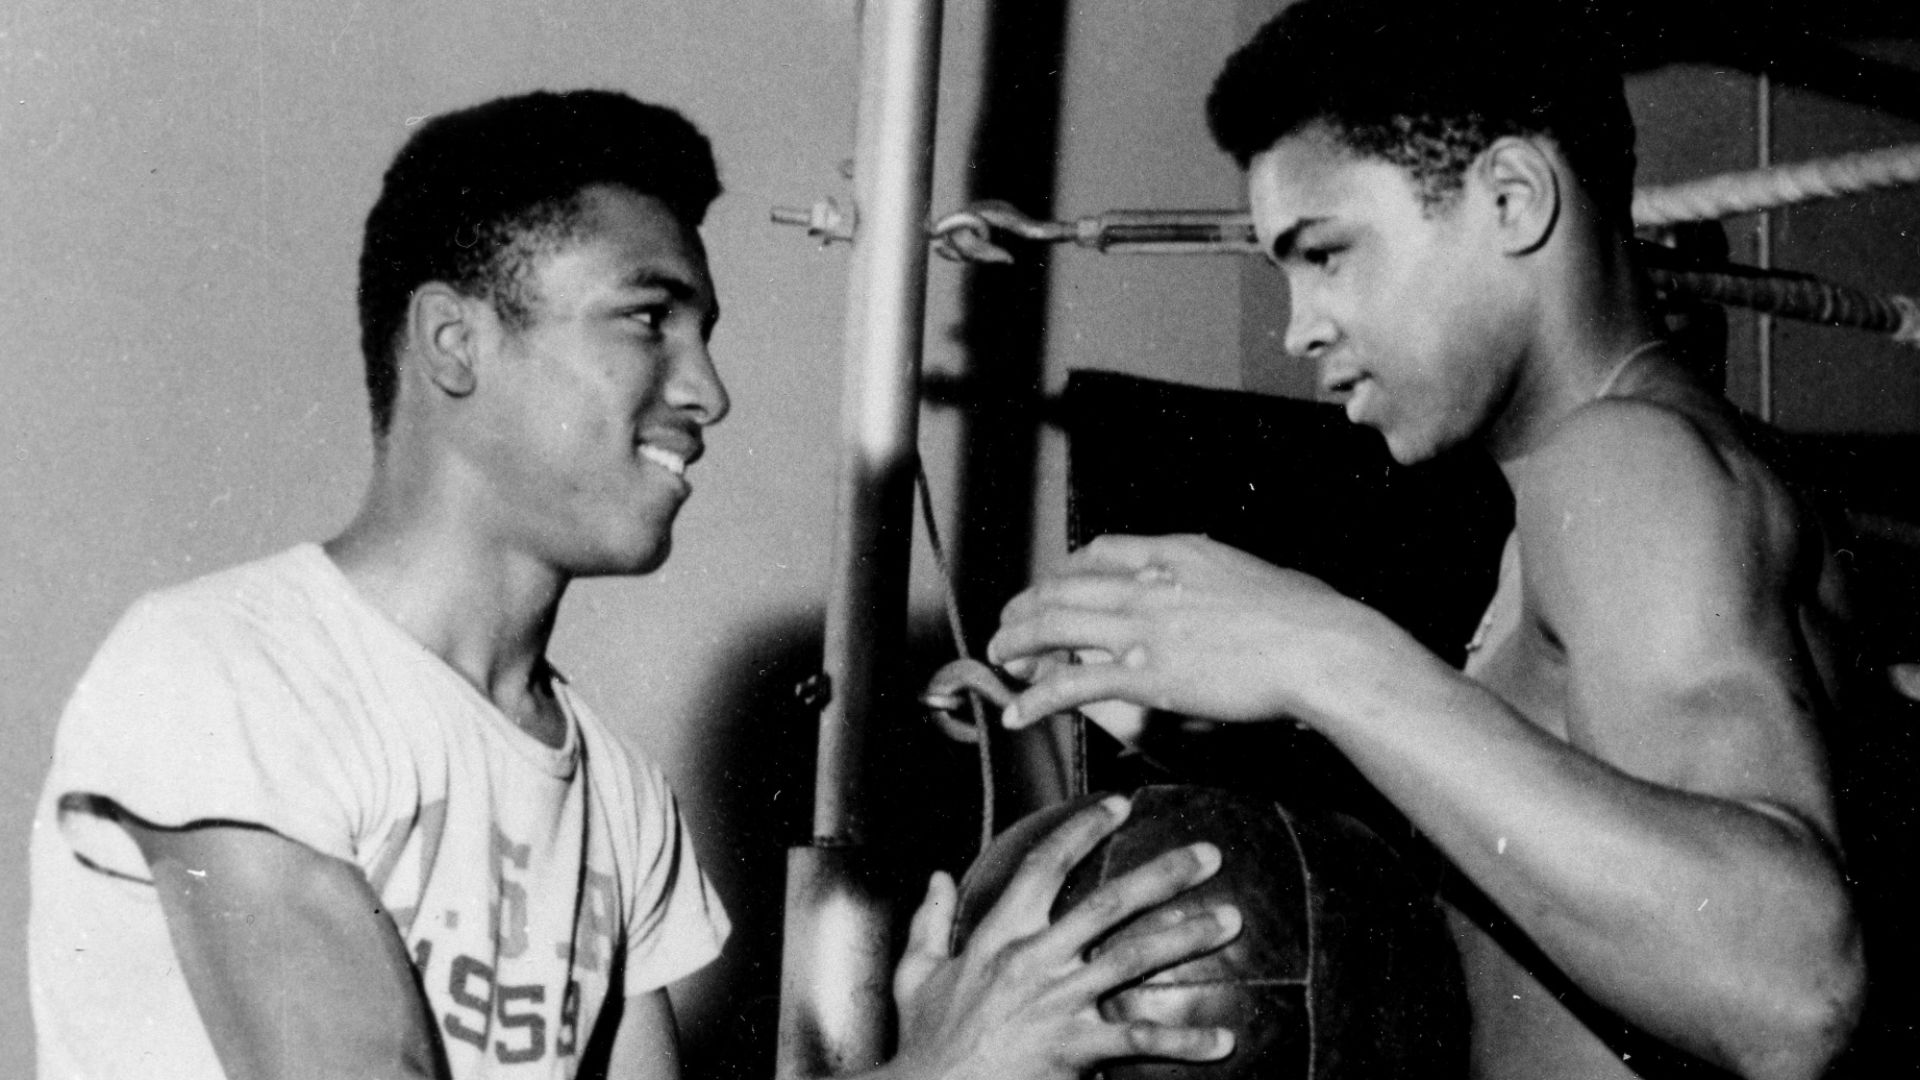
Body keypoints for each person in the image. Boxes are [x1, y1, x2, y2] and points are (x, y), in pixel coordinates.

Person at [27, 90, 1242, 1080]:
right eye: (647, 320)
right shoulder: (228, 669)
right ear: (455, 342)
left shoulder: (615, 795)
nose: (706, 390)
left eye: (703, 333)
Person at [986, 3, 1868, 1078]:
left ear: (1510, 199)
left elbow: (1794, 988)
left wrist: (1321, 655)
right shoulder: (1597, 478)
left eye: (1327, 254)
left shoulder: (1627, 463)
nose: (1298, 325)